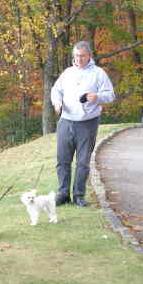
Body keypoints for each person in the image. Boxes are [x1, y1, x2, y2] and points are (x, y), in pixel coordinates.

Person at [51, 41, 115, 207]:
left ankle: (79, 195)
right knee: (63, 160)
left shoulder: (98, 73)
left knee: (82, 162)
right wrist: (57, 103)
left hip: (87, 123)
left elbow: (110, 95)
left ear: (89, 56)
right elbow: (56, 90)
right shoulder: (68, 73)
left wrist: (97, 97)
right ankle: (63, 193)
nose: (79, 59)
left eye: (82, 56)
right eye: (76, 56)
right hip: (66, 121)